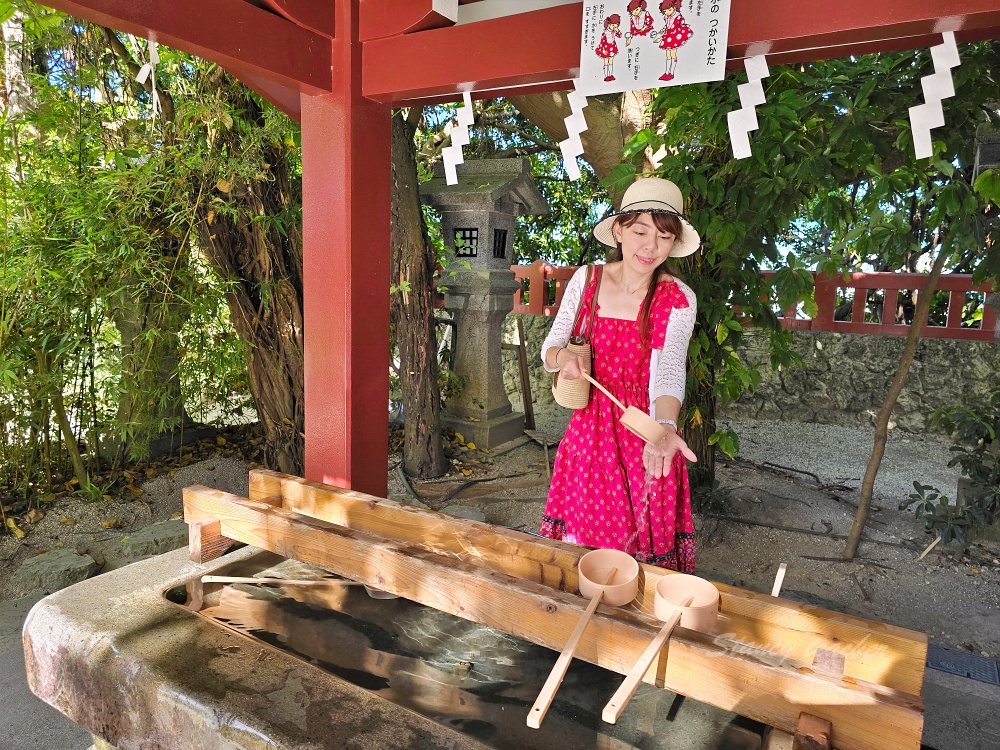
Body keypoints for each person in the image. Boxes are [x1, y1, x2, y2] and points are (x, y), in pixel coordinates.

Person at [539, 177, 700, 573]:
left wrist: (664, 429)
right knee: (585, 551)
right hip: (589, 431)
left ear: (673, 243)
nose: (649, 247)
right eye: (640, 231)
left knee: (640, 569)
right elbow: (550, 349)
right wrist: (564, 360)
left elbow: (669, 372)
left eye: (663, 237)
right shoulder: (587, 280)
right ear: (619, 230)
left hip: (645, 433)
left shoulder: (677, 297)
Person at [652, 0, 693, 82]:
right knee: (668, 54)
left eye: (669, 10)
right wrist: (663, 29)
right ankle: (667, 72)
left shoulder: (677, 16)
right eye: (665, 11)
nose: (667, 12)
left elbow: (673, 28)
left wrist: (661, 38)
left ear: (674, 7)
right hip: (668, 35)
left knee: (672, 53)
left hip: (674, 36)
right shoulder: (667, 16)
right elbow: (668, 25)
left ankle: (671, 73)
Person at [595, 14, 622, 82]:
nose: (614, 27)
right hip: (606, 48)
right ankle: (606, 75)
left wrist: (617, 30)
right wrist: (603, 49)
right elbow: (602, 42)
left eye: (616, 25)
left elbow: (620, 35)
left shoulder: (614, 31)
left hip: (612, 47)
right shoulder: (605, 33)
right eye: (613, 25)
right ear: (609, 24)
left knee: (611, 61)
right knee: (606, 62)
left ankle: (610, 75)